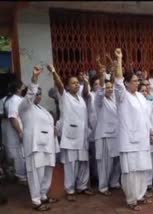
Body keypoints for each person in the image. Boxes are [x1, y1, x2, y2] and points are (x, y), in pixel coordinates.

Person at [48, 64, 94, 202]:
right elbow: (59, 85)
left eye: (77, 83)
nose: (76, 85)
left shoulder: (81, 98)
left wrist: (86, 81)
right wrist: (54, 71)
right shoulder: (64, 97)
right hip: (70, 136)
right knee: (70, 165)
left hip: (82, 136)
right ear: (68, 86)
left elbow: (86, 92)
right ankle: (70, 189)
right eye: (73, 83)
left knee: (83, 162)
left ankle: (82, 186)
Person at [113, 48, 152, 211]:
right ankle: (131, 199)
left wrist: (151, 133)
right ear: (127, 83)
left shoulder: (141, 97)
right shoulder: (122, 97)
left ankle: (140, 195)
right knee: (131, 172)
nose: (137, 83)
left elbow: (146, 118)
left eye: (138, 81)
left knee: (143, 169)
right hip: (129, 141)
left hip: (142, 140)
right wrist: (120, 59)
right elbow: (118, 81)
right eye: (134, 81)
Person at [19, 65, 59, 211]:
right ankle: (36, 201)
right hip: (35, 147)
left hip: (47, 146)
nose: (38, 96)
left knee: (47, 173)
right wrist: (35, 77)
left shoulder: (41, 109)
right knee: (36, 174)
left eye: (40, 93)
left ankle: (43, 195)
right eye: (37, 93)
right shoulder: (24, 106)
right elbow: (30, 93)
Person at [94, 66, 121, 196]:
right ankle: (103, 187)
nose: (110, 89)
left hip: (116, 135)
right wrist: (102, 77)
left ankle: (114, 182)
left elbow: (116, 83)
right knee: (105, 163)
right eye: (107, 87)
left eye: (111, 87)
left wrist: (115, 70)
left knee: (117, 161)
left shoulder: (114, 100)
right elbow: (100, 91)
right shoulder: (99, 100)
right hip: (104, 135)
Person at [3, 79, 27, 184]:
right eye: (22, 86)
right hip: (16, 133)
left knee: (20, 154)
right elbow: (13, 118)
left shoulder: (17, 99)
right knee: (18, 155)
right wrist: (20, 132)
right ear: (18, 89)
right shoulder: (13, 101)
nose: (24, 87)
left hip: (16, 132)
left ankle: (19, 175)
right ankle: (20, 177)